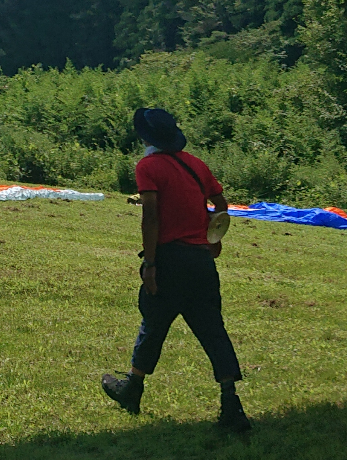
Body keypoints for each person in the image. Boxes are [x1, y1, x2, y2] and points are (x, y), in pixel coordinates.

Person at [102, 107, 251, 433]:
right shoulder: (196, 164)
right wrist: (213, 236)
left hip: (170, 260)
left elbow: (151, 217)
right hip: (201, 262)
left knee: (154, 322)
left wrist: (150, 264)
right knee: (213, 330)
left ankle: (132, 389)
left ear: (146, 137)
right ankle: (231, 403)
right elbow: (221, 204)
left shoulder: (148, 167)